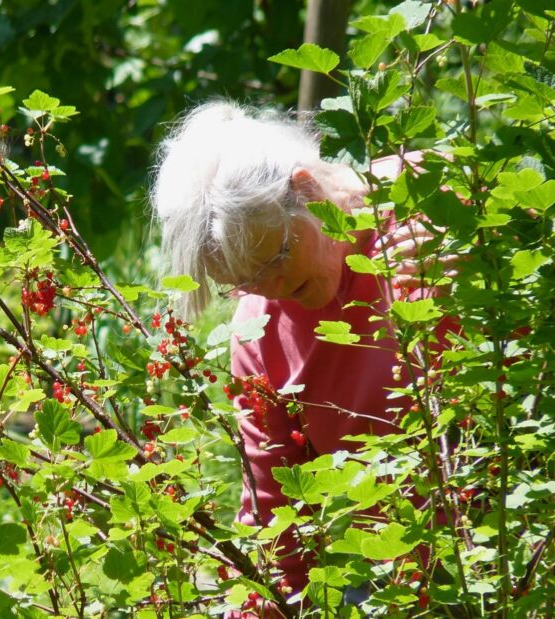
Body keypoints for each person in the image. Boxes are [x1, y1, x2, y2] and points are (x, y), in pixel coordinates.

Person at [150, 101, 447, 606]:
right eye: (243, 281)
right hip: (397, 583)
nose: (271, 289)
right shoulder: (259, 328)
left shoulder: (426, 201)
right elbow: (275, 512)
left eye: (276, 258)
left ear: (307, 191)